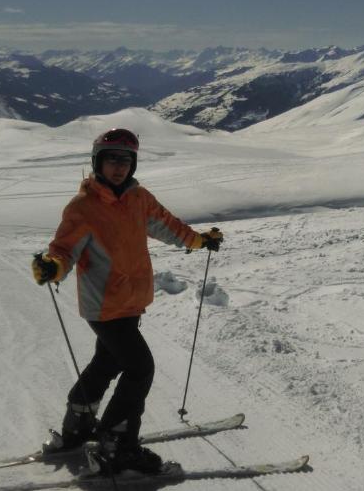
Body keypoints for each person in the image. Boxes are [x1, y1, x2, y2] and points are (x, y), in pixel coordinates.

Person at [31, 128, 223, 475]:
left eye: (125, 160)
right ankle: (116, 447)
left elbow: (167, 226)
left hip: (130, 303)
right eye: (111, 159)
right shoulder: (83, 207)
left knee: (106, 364)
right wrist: (52, 267)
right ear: (97, 162)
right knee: (140, 368)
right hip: (104, 307)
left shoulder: (139, 198)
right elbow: (63, 251)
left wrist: (198, 241)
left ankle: (77, 429)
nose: (118, 167)